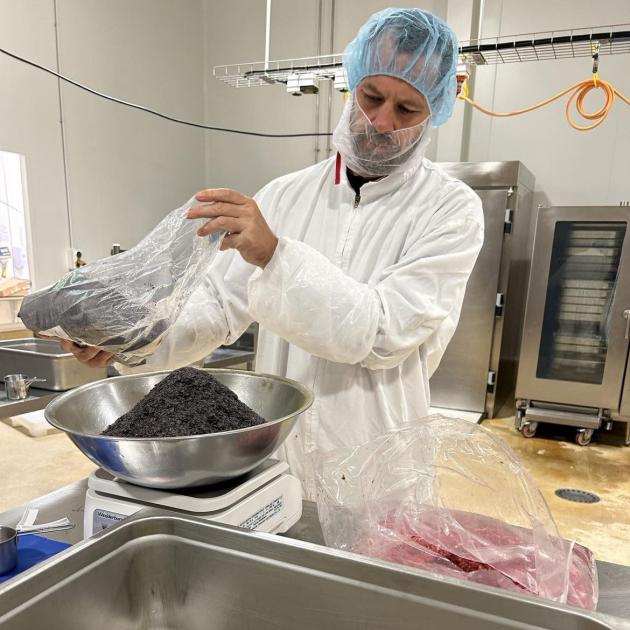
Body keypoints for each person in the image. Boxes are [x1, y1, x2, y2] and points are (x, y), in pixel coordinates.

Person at [63, 8, 484, 498]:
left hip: (380, 464)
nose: (381, 121)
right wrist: (136, 338)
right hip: (281, 455)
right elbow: (218, 307)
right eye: (371, 97)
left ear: (435, 110)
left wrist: (275, 257)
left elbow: (384, 333)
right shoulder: (286, 195)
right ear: (350, 86)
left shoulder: (451, 210)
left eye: (406, 109)